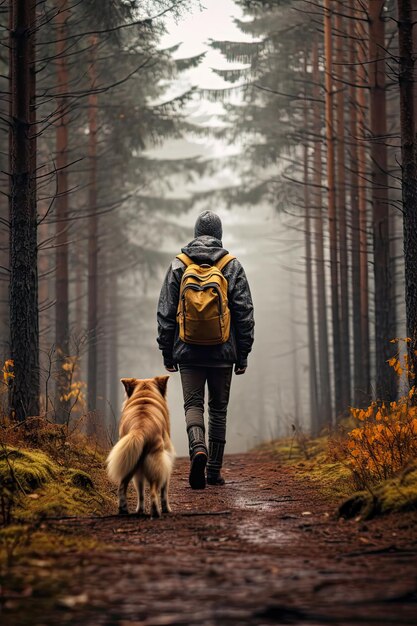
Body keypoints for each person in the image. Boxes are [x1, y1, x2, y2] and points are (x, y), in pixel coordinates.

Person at [157, 210, 255, 489]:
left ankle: (197, 448)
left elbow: (165, 312)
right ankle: (213, 471)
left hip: (187, 351)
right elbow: (244, 312)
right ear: (219, 234)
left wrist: (167, 351)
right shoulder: (231, 265)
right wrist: (243, 353)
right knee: (219, 410)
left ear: (196, 232)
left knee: (193, 405)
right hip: (224, 352)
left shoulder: (179, 264)